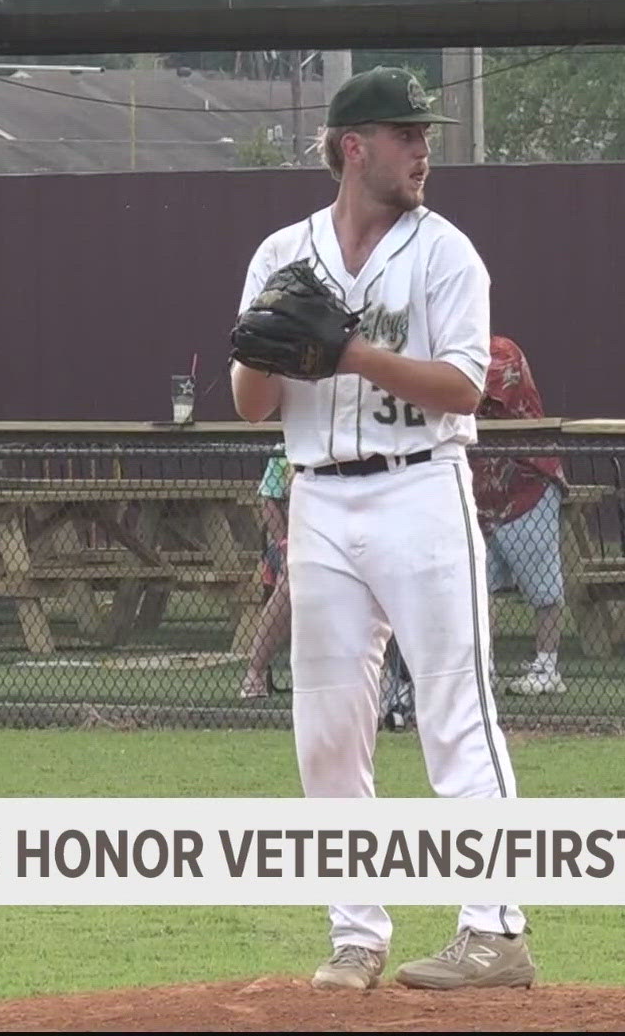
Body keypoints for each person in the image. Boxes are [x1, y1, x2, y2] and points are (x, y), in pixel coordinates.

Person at [226, 66, 535, 992]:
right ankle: (356, 934)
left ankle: (496, 931)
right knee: (325, 727)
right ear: (352, 146)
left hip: (420, 490)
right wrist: (265, 345)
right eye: (405, 134)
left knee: (455, 710)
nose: (422, 149)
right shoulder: (285, 252)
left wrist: (350, 353)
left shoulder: (447, 253)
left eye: (423, 134)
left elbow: (465, 387)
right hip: (319, 496)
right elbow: (250, 405)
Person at [474, 335, 568, 695]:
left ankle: (547, 669)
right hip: (479, 491)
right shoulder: (441, 353)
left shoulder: (500, 351)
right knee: (479, 587)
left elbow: (468, 396)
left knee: (543, 587)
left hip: (527, 484)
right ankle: (485, 669)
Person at [241, 445, 293, 699]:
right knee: (290, 586)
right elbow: (268, 501)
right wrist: (285, 545)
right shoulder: (284, 453)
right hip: (287, 545)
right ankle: (254, 672)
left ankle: (392, 678)